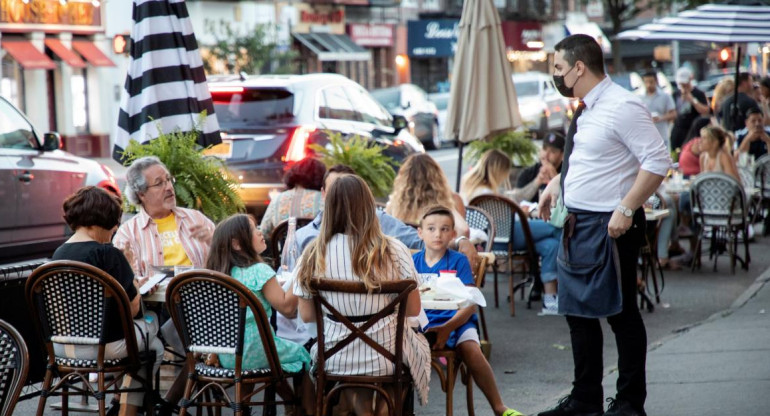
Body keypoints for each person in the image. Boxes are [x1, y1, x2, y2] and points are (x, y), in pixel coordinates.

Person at [539, 34, 671, 416]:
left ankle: (630, 404)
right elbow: (588, 160)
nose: (556, 76)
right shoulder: (587, 108)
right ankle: (585, 401)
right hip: (576, 224)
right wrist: (555, 184)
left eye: (559, 69)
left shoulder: (622, 106)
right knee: (577, 315)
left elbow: (657, 160)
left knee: (620, 313)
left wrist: (627, 208)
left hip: (611, 226)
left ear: (579, 67)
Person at [293, 175, 431, 416]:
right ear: (369, 207)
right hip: (387, 356)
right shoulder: (393, 249)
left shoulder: (314, 253)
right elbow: (413, 309)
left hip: (334, 357)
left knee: (357, 351)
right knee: (412, 347)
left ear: (329, 208)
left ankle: (359, 408)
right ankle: (384, 409)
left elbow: (306, 315)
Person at [52, 187, 165, 416]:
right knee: (154, 342)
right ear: (102, 220)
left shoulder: (58, 255)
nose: (114, 231)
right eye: (114, 225)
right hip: (105, 348)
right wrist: (130, 269)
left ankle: (118, 400)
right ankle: (127, 409)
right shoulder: (108, 254)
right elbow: (132, 310)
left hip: (61, 347)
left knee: (139, 344)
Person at [113, 155, 215, 407]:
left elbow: (227, 262)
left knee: (190, 330)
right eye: (159, 183)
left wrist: (214, 240)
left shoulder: (195, 219)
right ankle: (173, 396)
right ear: (141, 194)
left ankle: (167, 402)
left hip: (203, 302)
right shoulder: (128, 232)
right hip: (156, 308)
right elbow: (125, 280)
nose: (169, 187)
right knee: (179, 333)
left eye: (169, 179)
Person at [413, 205, 523, 416]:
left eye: (445, 229)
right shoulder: (412, 262)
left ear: (453, 234)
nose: (438, 234)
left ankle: (499, 407)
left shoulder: (459, 261)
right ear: (420, 232)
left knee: (472, 349)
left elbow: (470, 303)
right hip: (424, 322)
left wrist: (448, 327)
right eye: (431, 228)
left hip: (458, 320)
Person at [205, 214, 314, 412]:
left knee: (272, 357)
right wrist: (302, 271)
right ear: (237, 244)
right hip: (258, 352)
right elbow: (287, 308)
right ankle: (304, 410)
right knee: (304, 356)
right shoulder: (259, 271)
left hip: (227, 355)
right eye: (254, 229)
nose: (260, 232)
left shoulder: (219, 276)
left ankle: (256, 407)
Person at [296, 164, 480, 266]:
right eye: (336, 191)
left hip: (331, 329)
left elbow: (420, 241)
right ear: (324, 194)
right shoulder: (302, 237)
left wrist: (460, 240)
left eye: (348, 192)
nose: (342, 198)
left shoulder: (378, 222)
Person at [460, 149, 561, 315]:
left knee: (551, 245)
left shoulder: (472, 188)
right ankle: (572, 280)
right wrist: (521, 211)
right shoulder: (487, 192)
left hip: (490, 241)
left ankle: (550, 300)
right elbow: (505, 216)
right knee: (556, 227)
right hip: (509, 235)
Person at [386, 153, 470, 237]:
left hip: (405, 249)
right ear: (437, 176)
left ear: (404, 179)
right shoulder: (453, 200)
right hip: (440, 249)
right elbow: (464, 231)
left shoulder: (395, 204)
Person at [260, 157, 325, 236]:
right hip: (314, 247)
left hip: (283, 248)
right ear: (321, 177)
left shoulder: (278, 199)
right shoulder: (323, 198)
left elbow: (264, 232)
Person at [510, 132, 565, 204]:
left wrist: (555, 179)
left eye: (552, 151)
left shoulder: (567, 172)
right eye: (544, 149)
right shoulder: (528, 172)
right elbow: (515, 200)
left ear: (562, 155)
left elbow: (569, 200)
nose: (546, 155)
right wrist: (537, 181)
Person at [670, 67, 710, 151]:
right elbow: (672, 113)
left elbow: (706, 111)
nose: (683, 86)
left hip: (692, 130)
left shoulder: (698, 93)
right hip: (678, 129)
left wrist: (692, 100)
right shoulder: (675, 94)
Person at [640, 71, 676, 150]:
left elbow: (673, 113)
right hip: (646, 137)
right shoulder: (640, 97)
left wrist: (661, 118)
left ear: (656, 81)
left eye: (651, 82)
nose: (649, 85)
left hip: (662, 135)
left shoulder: (665, 96)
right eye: (646, 82)